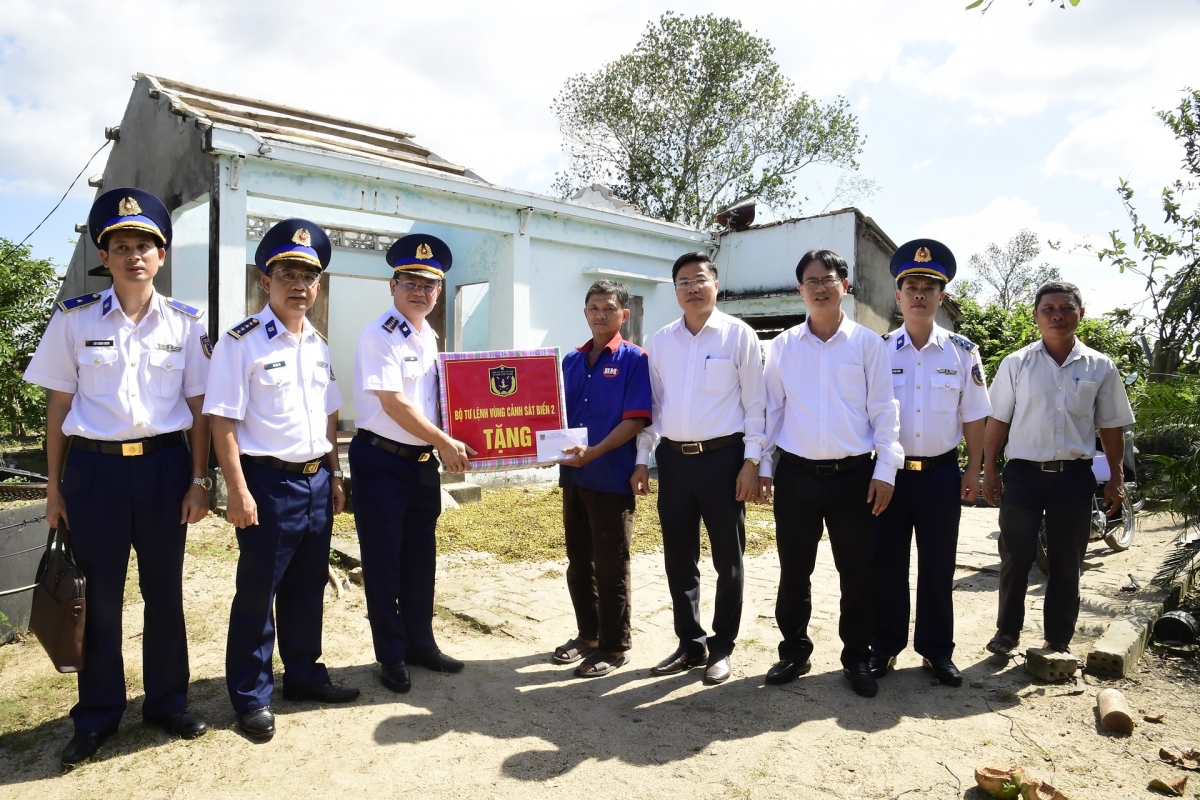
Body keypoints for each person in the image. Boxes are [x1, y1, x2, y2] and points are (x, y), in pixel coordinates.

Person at [24, 188, 213, 766]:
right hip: (94, 475)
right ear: (104, 257)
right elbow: (59, 407)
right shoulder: (74, 319)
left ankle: (166, 703)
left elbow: (201, 407)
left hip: (163, 469)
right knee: (100, 599)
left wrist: (199, 480)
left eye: (145, 246)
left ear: (162, 256)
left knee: (164, 594)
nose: (134, 255)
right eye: (121, 246)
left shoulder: (186, 323)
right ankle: (98, 715)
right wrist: (54, 488)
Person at [205, 219, 358, 742]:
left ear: (318, 286)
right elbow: (221, 419)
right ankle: (250, 696)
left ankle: (306, 676)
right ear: (264, 280)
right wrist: (238, 489)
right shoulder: (239, 342)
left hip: (316, 482)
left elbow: (330, 414)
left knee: (306, 588)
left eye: (308, 276)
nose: (299, 285)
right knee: (257, 593)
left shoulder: (317, 342)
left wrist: (335, 475)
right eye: (287, 273)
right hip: (266, 485)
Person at [759, 248, 902, 698]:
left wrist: (886, 470)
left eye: (828, 279)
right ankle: (794, 651)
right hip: (797, 475)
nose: (819, 287)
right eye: (810, 280)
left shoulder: (867, 345)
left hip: (854, 478)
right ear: (800, 289)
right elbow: (771, 412)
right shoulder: (782, 346)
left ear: (845, 285)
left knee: (857, 572)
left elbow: (884, 411)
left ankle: (856, 656)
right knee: (794, 570)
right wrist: (763, 465)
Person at [631, 252, 766, 686]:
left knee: (728, 559)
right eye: (684, 281)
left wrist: (751, 462)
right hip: (673, 461)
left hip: (724, 460)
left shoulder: (738, 336)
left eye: (700, 279)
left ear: (716, 284)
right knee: (678, 558)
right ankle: (690, 642)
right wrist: (642, 459)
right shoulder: (663, 340)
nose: (692, 288)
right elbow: (653, 407)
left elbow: (757, 405)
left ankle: (721, 647)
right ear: (675, 290)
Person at [982, 281, 1134, 658]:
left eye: (1066, 308)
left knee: (1067, 561)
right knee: (1016, 555)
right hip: (1023, 475)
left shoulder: (1100, 366)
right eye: (1048, 308)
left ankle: (1058, 638)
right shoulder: (1016, 364)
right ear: (1035, 316)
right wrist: (988, 469)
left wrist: (1115, 477)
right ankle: (1008, 631)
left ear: (1081, 314)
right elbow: (997, 420)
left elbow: (1111, 426)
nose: (1057, 315)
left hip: (1074, 476)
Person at [349, 232, 473, 695]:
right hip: (381, 461)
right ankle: (392, 655)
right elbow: (395, 404)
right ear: (393, 285)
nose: (421, 292)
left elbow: (441, 400)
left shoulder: (429, 335)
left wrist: (461, 438)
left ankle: (422, 643)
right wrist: (445, 441)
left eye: (430, 285)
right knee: (383, 563)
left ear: (439, 291)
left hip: (421, 464)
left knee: (421, 560)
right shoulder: (378, 335)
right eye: (411, 282)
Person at [868, 240, 991, 688]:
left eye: (929, 287)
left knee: (938, 567)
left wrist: (973, 470)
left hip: (941, 475)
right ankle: (884, 646)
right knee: (888, 566)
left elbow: (974, 415)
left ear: (942, 297)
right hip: (890, 478)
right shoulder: (878, 350)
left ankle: (937, 651)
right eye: (911, 286)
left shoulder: (963, 351)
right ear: (897, 296)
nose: (919, 294)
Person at [552, 280, 652, 678]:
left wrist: (595, 452)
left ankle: (613, 646)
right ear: (585, 312)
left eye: (608, 308)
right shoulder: (570, 363)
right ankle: (588, 636)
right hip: (574, 478)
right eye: (593, 307)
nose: (600, 314)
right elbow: (551, 417)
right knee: (579, 563)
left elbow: (636, 418)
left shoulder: (634, 359)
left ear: (623, 315)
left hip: (611, 478)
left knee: (611, 564)